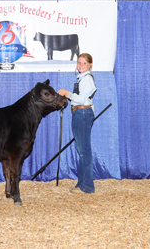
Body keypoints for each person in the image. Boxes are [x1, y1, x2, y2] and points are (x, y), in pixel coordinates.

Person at [58, 53, 97, 194]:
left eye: (84, 63)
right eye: (79, 62)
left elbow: (82, 99)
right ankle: (82, 183)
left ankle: (87, 187)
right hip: (80, 113)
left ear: (90, 65)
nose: (81, 65)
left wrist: (67, 93)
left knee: (84, 151)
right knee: (82, 150)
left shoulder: (87, 79)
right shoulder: (82, 78)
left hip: (82, 113)